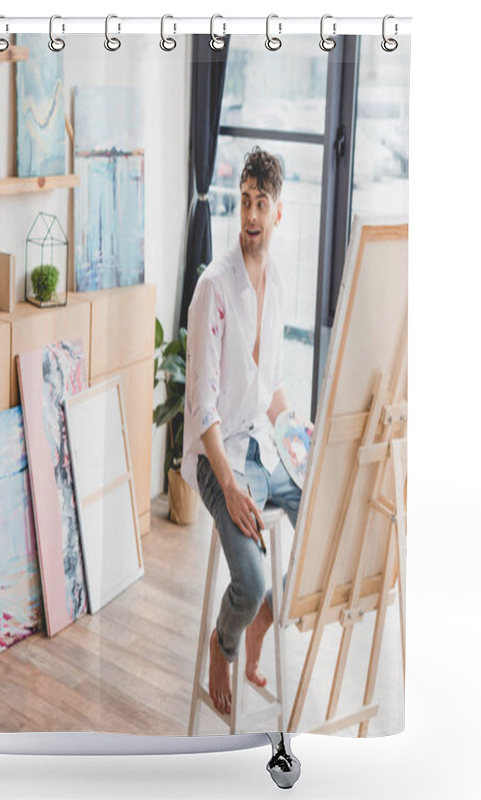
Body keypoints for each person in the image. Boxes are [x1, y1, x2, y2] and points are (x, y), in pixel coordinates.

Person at [182, 147, 302, 716]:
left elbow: (271, 388)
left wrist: (299, 440)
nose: (252, 215)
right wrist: (230, 488)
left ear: (279, 212)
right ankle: (223, 641)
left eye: (262, 203)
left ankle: (262, 623)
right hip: (218, 456)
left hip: (261, 443)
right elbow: (203, 410)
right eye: (245, 201)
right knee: (249, 583)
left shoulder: (275, 282)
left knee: (320, 508)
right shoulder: (214, 287)